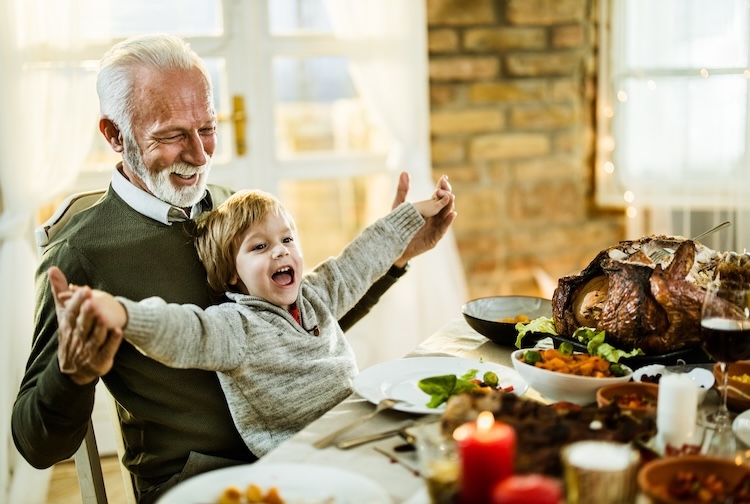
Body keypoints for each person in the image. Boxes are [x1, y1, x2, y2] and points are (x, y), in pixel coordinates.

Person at [11, 33, 456, 503]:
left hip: (307, 447)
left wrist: (396, 255)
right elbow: (37, 445)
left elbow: (293, 326)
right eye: (172, 135)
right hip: (203, 482)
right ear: (115, 135)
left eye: (207, 128)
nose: (201, 156)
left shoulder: (230, 207)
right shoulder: (81, 253)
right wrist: (73, 374)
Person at [48, 186, 451, 457]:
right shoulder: (235, 327)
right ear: (231, 275)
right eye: (260, 246)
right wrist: (122, 313)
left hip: (359, 434)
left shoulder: (316, 294)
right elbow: (184, 331)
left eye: (287, 239)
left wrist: (410, 217)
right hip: (302, 463)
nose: (280, 252)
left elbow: (360, 259)